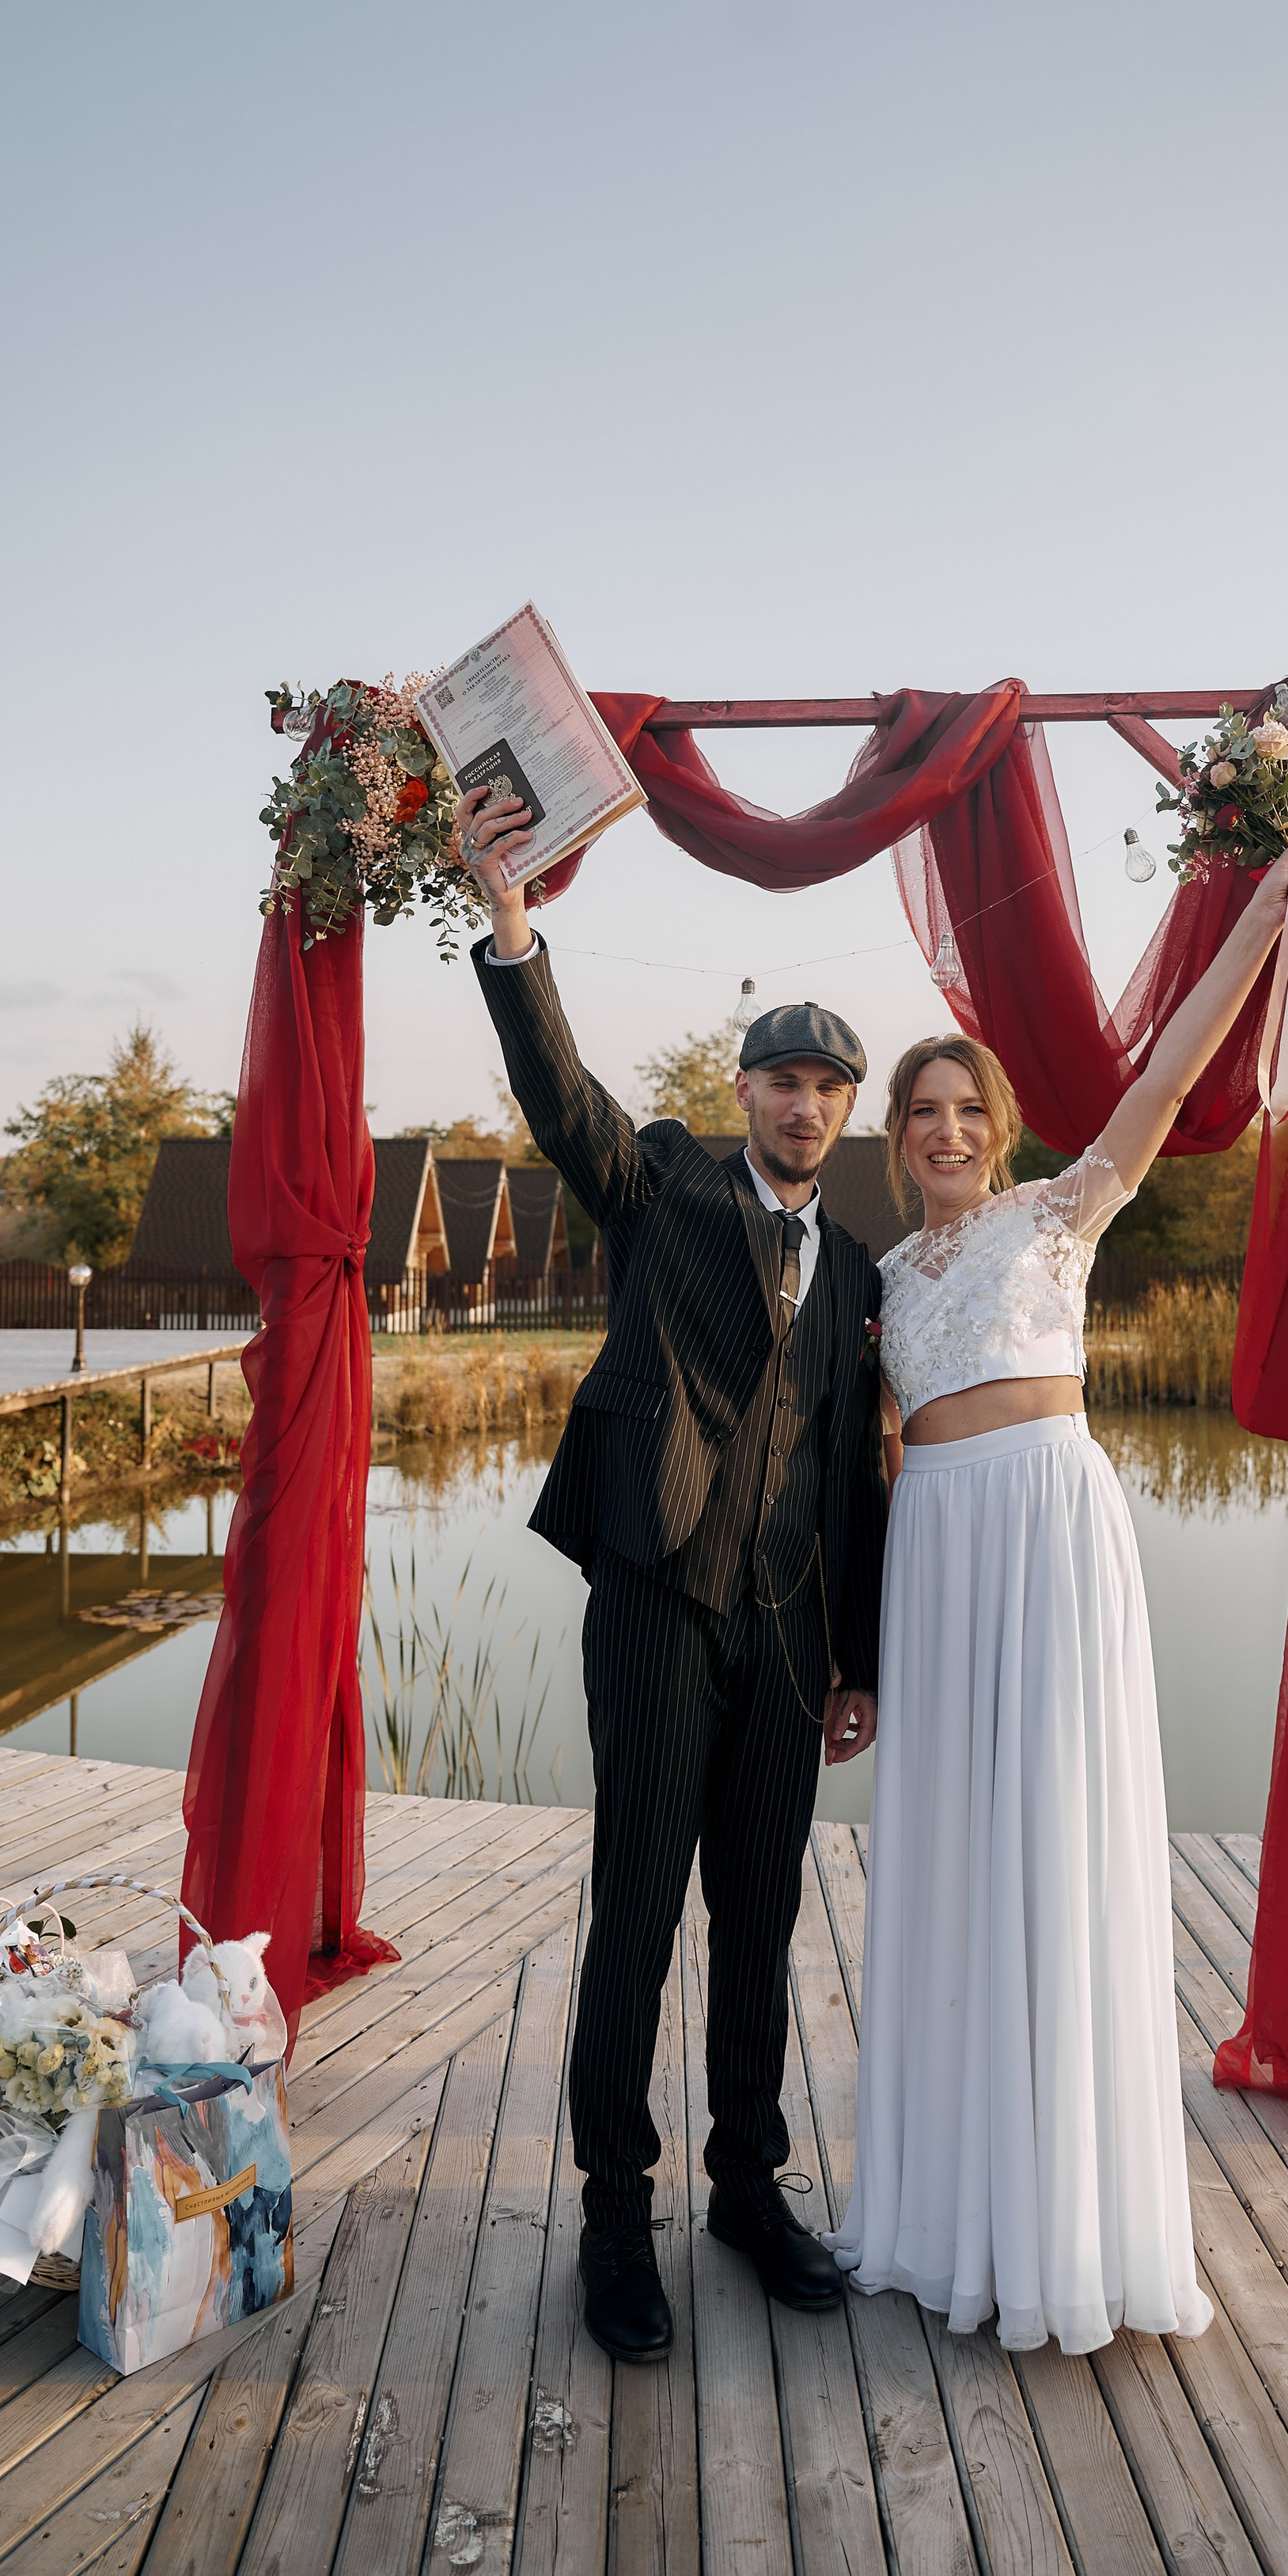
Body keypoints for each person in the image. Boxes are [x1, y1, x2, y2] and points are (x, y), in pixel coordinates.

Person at [830, 833, 1288, 2354]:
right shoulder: (877, 1287)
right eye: (922, 1112)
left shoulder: (1063, 1214)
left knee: (1053, 1838)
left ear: (999, 1123)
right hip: (937, 1554)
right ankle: (946, 2209)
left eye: (966, 1106)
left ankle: (1067, 2218)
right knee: (955, 1858)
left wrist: (1259, 913)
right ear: (894, 1137)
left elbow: (1171, 1076)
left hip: (1048, 1529)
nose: (948, 1129)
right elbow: (847, 1470)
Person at [456, 781, 886, 2367]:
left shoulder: (852, 1269)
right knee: (633, 1921)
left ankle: (744, 2194)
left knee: (760, 1926)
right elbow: (559, 1098)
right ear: (743, 1085)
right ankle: (614, 2220)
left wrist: (859, 1660)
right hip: (652, 1602)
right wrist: (513, 934)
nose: (804, 1105)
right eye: (783, 1077)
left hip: (783, 1637)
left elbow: (848, 1475)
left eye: (827, 1086)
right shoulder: (665, 1184)